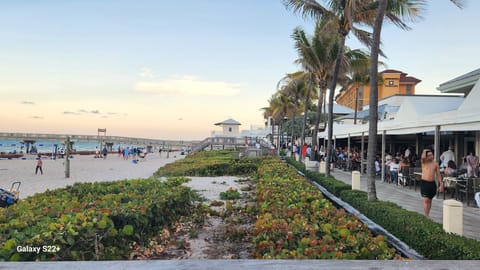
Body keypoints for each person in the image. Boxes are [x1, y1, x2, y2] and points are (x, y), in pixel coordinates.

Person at [420, 149, 443, 218]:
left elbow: (438, 175)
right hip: (424, 182)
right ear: (426, 157)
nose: (431, 156)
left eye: (432, 155)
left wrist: (441, 184)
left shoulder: (435, 164)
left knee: (430, 200)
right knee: (426, 200)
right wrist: (424, 150)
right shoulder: (424, 162)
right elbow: (423, 157)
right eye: (429, 155)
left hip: (432, 183)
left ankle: (428, 214)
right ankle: (426, 215)